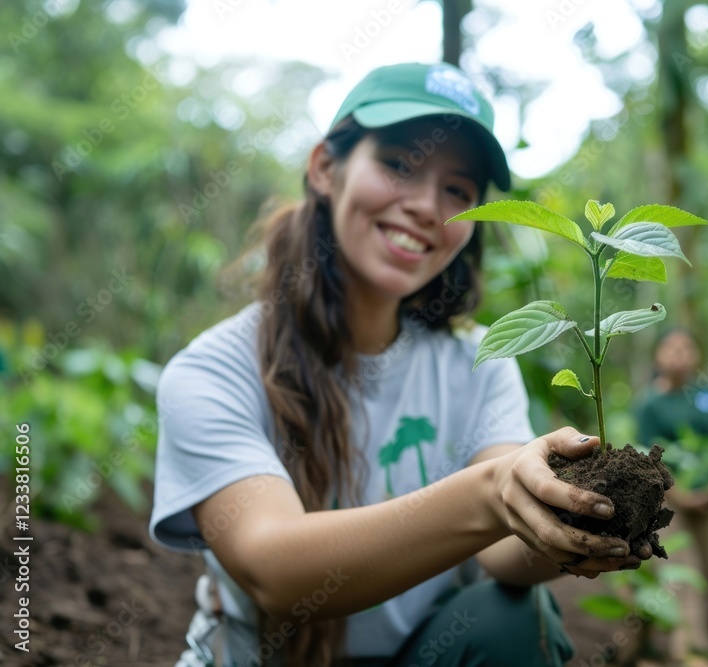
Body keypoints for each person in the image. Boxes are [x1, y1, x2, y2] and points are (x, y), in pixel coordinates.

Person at [148, 62, 649, 667]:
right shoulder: (213, 371)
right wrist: (493, 493)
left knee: (514, 618)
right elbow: (272, 569)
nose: (424, 206)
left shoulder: (477, 360)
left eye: (457, 190)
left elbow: (505, 556)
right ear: (326, 169)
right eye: (399, 165)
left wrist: (568, 519)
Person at [634, 328, 708, 666]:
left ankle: (646, 645)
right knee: (684, 575)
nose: (679, 353)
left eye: (686, 347)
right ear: (658, 357)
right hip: (669, 506)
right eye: (671, 347)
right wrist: (679, 493)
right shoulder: (649, 404)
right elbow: (646, 457)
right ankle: (692, 654)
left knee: (705, 572)